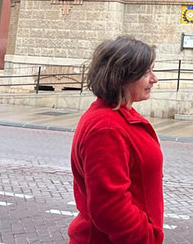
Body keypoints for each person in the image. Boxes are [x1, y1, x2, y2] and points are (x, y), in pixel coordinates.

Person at [68, 36, 164, 243]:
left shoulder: (118, 116)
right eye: (146, 72)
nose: (154, 79)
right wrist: (146, 236)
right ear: (122, 76)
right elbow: (110, 207)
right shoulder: (107, 128)